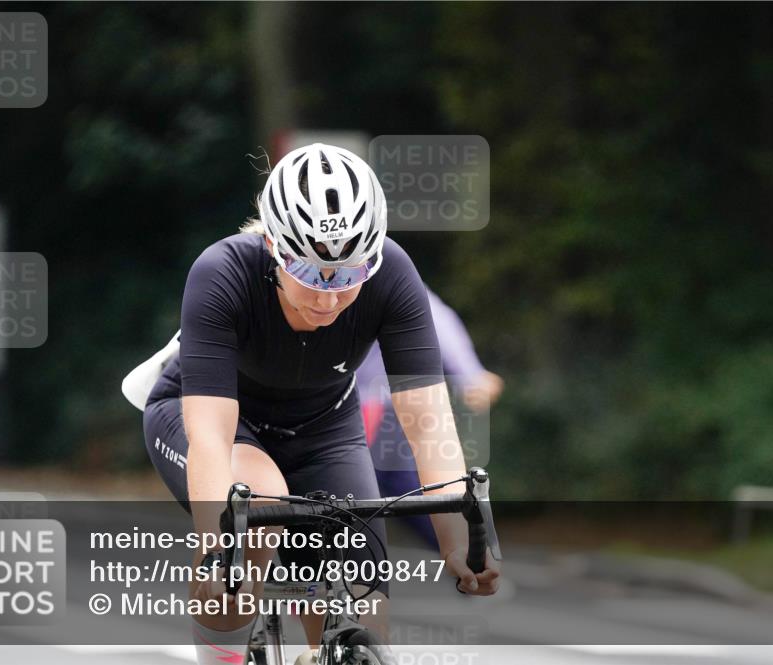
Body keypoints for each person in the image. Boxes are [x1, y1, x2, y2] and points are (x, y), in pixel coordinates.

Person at [128, 144, 499, 665]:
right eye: (310, 272)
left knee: (365, 618)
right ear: (273, 245)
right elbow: (210, 434)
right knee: (258, 509)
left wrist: (457, 540)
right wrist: (217, 551)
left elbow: (428, 420)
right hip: (212, 418)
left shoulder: (393, 273)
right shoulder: (222, 272)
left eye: (348, 275)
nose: (328, 298)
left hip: (324, 428)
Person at [357, 289, 503, 549]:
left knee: (409, 492)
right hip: (348, 408)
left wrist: (470, 376)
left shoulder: (396, 283)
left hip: (382, 410)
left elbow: (436, 323)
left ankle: (472, 552)